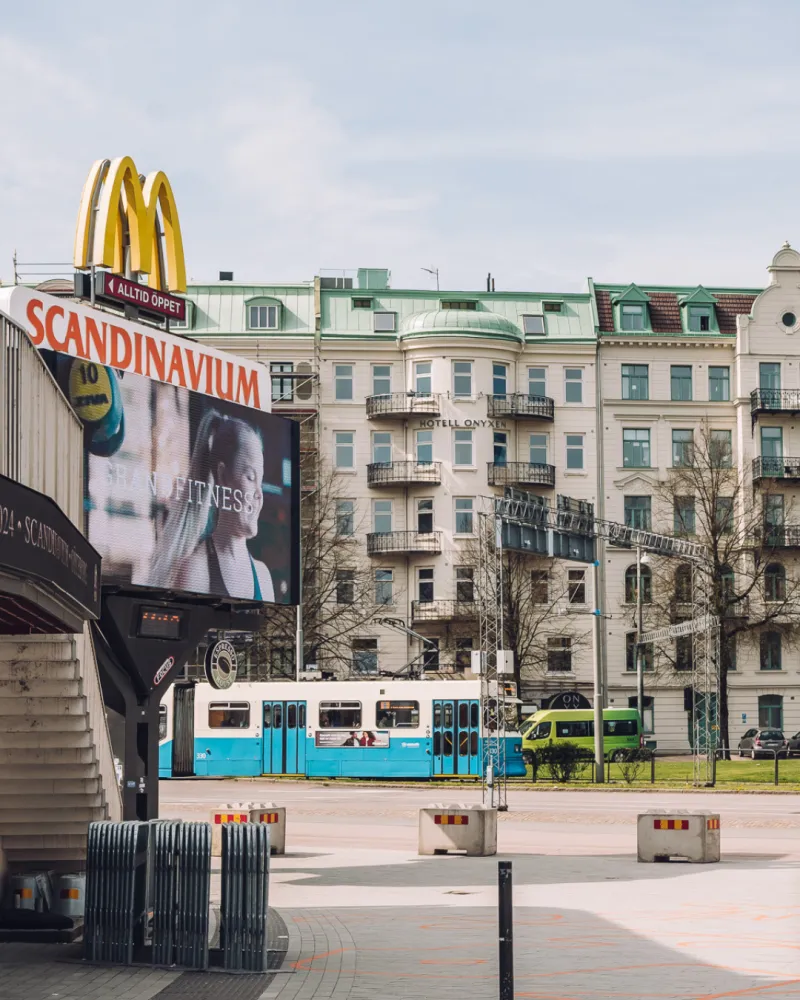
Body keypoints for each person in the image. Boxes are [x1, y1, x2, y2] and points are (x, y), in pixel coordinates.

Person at [151, 409, 274, 601]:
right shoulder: (195, 570)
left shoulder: (263, 576)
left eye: (261, 481)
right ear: (223, 476)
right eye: (250, 477)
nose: (259, 494)